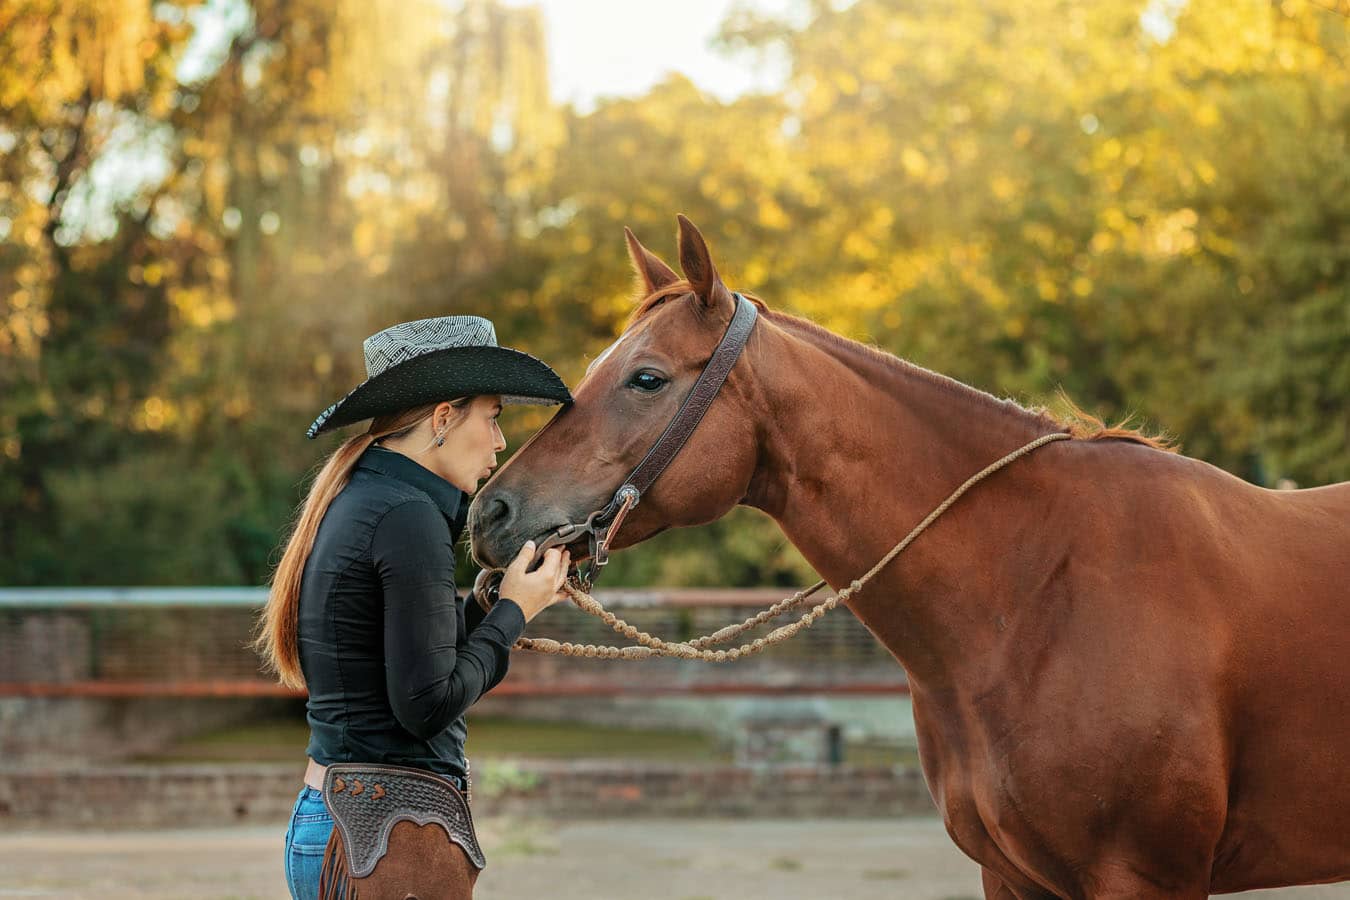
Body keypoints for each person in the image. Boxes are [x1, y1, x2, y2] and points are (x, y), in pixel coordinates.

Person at [253, 315, 573, 899]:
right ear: (443, 417)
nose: (501, 443)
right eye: (494, 417)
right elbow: (427, 704)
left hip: (351, 828)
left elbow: (417, 666)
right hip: (378, 839)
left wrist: (500, 603)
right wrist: (513, 614)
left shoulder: (366, 497)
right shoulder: (408, 516)